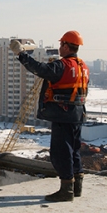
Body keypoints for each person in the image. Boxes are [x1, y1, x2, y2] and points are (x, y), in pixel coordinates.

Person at [9, 30, 89, 202]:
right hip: (77, 114)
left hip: (63, 114)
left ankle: (66, 190)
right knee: (74, 149)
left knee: (61, 152)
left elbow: (40, 69)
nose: (60, 48)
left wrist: (21, 54)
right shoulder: (82, 66)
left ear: (67, 46)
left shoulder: (63, 65)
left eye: (61, 45)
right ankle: (76, 188)